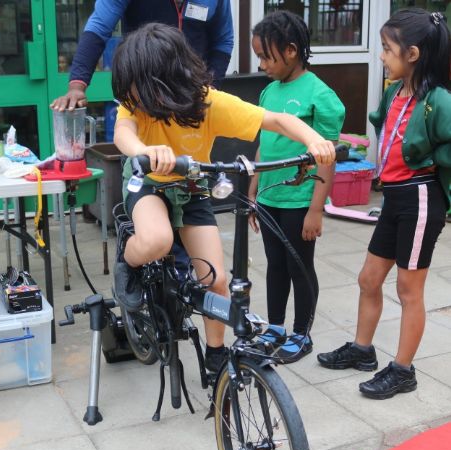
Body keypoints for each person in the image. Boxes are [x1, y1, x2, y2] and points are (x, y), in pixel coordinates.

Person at [111, 23, 337, 373]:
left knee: (215, 279)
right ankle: (129, 259)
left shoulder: (207, 102)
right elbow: (122, 133)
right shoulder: (134, 105)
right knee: (156, 240)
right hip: (149, 183)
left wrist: (313, 139)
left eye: (136, 85)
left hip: (190, 188)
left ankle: (215, 353)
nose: (131, 95)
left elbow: (276, 120)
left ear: (163, 80)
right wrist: (144, 150)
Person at [317, 8, 451, 399]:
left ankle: (403, 371)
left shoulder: (438, 100)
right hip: (394, 196)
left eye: (387, 49)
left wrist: (431, 159)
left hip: (420, 197)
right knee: (369, 279)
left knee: (409, 290)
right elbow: (384, 126)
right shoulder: (395, 91)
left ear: (413, 54)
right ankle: (362, 350)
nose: (381, 56)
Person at [248, 11, 345, 363]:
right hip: (270, 195)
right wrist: (254, 188)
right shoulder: (268, 91)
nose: (261, 65)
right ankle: (275, 327)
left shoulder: (320, 94)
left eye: (266, 56)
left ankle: (302, 334)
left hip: (300, 199)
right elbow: (264, 145)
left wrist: (316, 209)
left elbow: (327, 158)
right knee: (275, 264)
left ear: (290, 51)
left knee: (299, 266)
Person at [51, 0, 234, 111]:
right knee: (141, 158)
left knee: (193, 160)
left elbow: (223, 40)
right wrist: (77, 86)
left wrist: (210, 87)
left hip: (192, 95)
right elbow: (98, 28)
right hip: (143, 93)